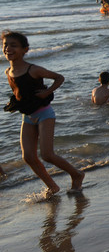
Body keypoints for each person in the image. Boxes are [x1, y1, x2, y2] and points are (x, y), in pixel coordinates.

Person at [3, 30, 85, 195]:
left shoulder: (33, 70)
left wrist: (46, 93)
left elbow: (59, 78)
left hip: (44, 114)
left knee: (47, 154)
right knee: (28, 157)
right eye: (5, 45)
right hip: (27, 117)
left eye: (14, 46)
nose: (8, 49)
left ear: (25, 49)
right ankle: (52, 186)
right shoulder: (8, 72)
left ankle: (77, 175)